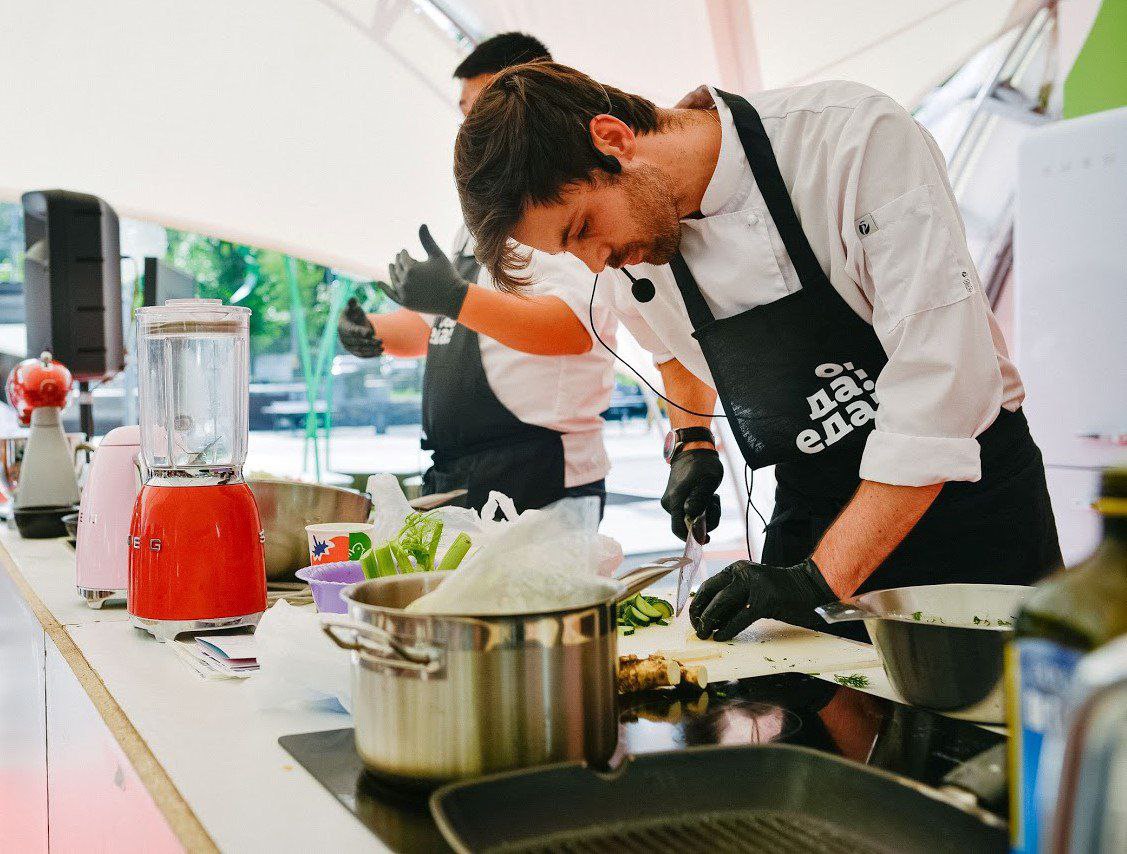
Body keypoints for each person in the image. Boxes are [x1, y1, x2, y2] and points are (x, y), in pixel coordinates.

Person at [452, 62, 1062, 641]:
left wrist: (817, 581)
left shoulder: (852, 139)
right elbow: (669, 349)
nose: (594, 263)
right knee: (790, 702)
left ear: (613, 140)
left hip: (967, 505)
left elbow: (941, 390)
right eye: (569, 252)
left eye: (582, 228)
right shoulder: (630, 253)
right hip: (816, 502)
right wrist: (693, 443)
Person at [338, 36, 616, 517]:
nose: (469, 130)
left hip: (539, 472)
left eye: (481, 110)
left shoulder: (564, 198)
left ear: (528, 99)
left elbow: (572, 328)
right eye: (466, 115)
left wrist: (455, 297)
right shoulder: (477, 221)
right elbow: (436, 327)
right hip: (461, 471)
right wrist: (372, 331)